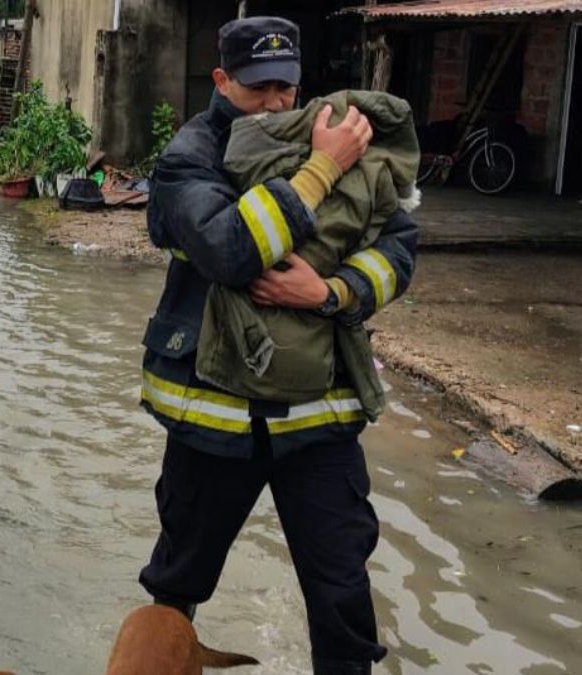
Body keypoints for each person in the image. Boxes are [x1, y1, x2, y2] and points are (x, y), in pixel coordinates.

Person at [137, 16, 417, 675]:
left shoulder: (327, 135)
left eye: (285, 88)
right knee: (174, 592)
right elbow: (231, 249)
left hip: (317, 424)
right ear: (221, 79)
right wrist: (324, 167)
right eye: (257, 87)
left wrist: (331, 292)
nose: (274, 103)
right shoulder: (189, 158)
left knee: (343, 597)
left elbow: (399, 248)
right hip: (212, 423)